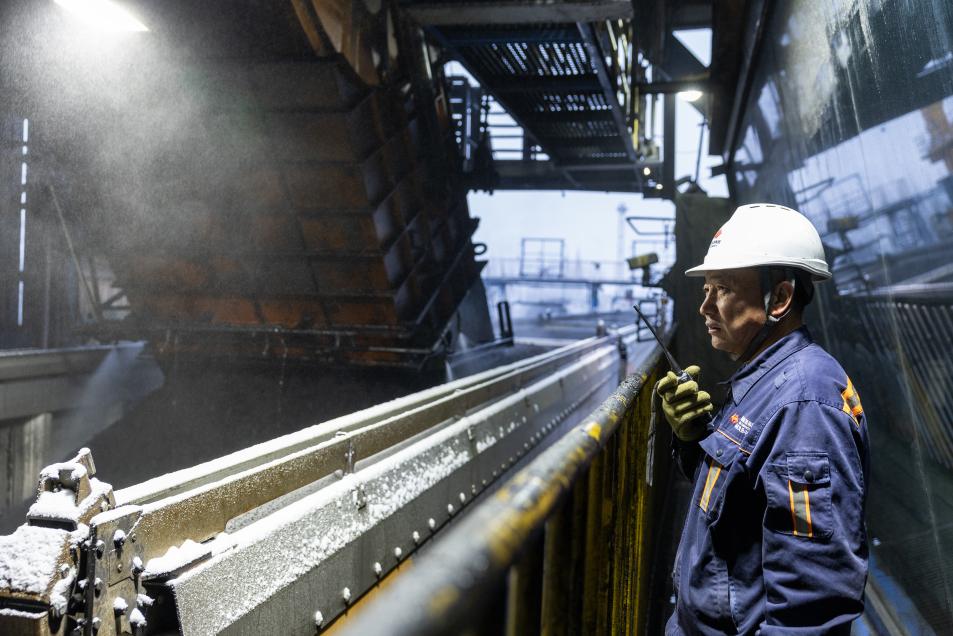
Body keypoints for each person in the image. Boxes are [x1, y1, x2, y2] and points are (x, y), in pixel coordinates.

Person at [659, 203, 870, 635]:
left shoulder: (804, 405)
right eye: (706, 290)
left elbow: (811, 606)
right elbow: (737, 502)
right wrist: (691, 437)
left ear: (781, 298)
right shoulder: (765, 381)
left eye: (722, 289)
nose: (705, 308)